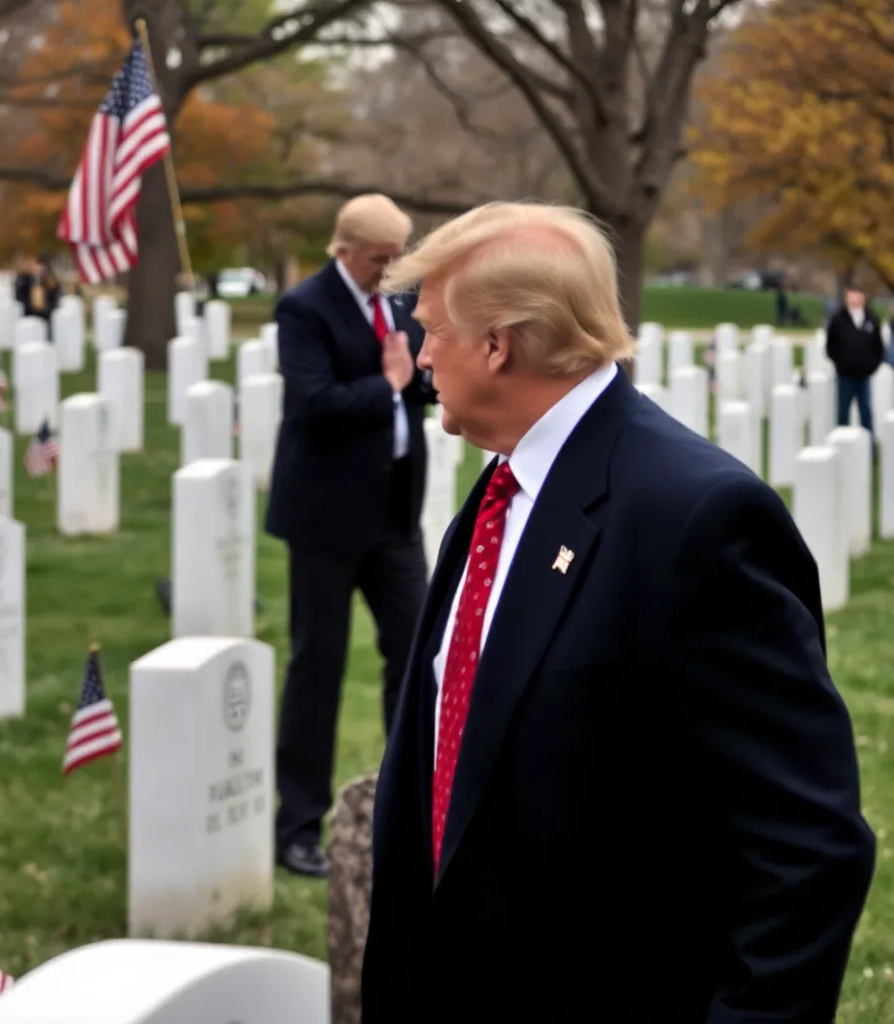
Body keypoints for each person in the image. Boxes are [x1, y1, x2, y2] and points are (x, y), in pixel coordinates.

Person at [362, 201, 875, 1021]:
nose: (419, 356)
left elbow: (807, 849)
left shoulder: (696, 518)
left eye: (431, 331)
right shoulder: (504, 487)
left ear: (499, 345)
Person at [266, 194, 436, 879]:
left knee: (417, 652)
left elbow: (419, 385)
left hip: (395, 517)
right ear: (345, 249)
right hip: (327, 518)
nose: (393, 269)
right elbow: (316, 404)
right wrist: (389, 381)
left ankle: (409, 808)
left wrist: (420, 377)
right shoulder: (304, 308)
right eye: (381, 258)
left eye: (401, 256)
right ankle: (299, 826)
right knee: (319, 668)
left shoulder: (399, 301)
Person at [827, 285, 883, 438]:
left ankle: (870, 450)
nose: (855, 299)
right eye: (851, 296)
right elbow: (830, 346)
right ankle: (840, 447)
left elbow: (878, 347)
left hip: (864, 376)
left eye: (858, 296)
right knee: (842, 413)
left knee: (866, 412)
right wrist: (840, 362)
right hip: (844, 375)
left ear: (863, 298)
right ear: (846, 298)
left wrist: (871, 366)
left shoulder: (872, 319)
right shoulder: (838, 319)